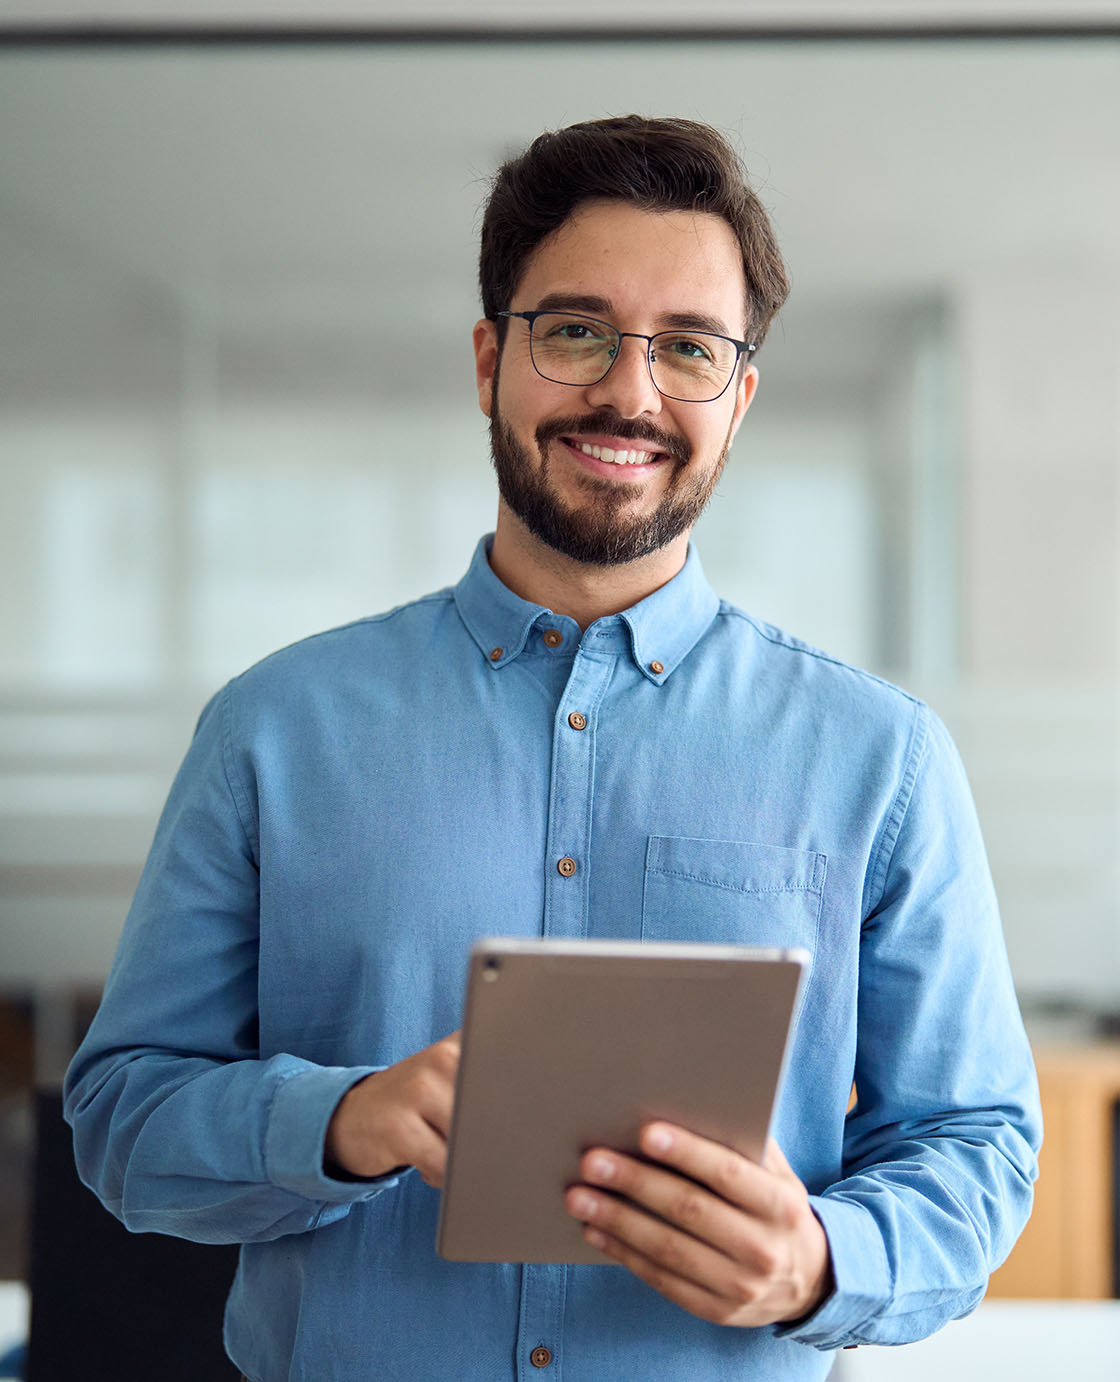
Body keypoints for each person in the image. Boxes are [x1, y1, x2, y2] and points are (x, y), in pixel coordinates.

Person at [64, 116, 1041, 1381]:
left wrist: (820, 1260)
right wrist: (341, 1120)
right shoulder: (273, 729)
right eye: (576, 331)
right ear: (490, 359)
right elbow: (122, 1118)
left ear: (736, 400)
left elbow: (976, 1144)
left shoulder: (881, 758)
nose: (629, 393)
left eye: (687, 349)